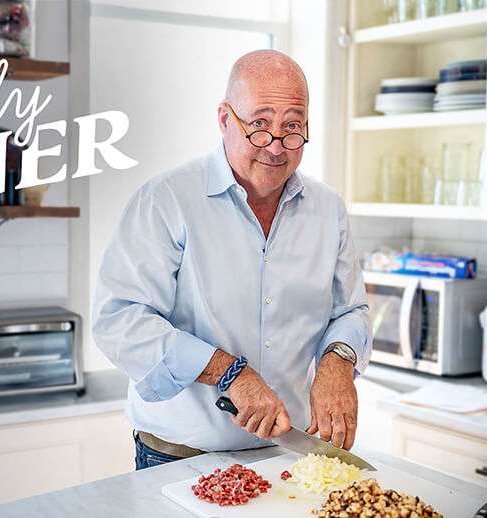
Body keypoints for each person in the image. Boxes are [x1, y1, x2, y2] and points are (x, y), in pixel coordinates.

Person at [92, 49, 371, 470]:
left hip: (286, 454)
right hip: (179, 456)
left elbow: (351, 310)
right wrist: (230, 373)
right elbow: (119, 319)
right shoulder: (166, 200)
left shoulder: (328, 209)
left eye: (292, 127)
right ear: (225, 119)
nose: (276, 147)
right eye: (259, 125)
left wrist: (338, 361)